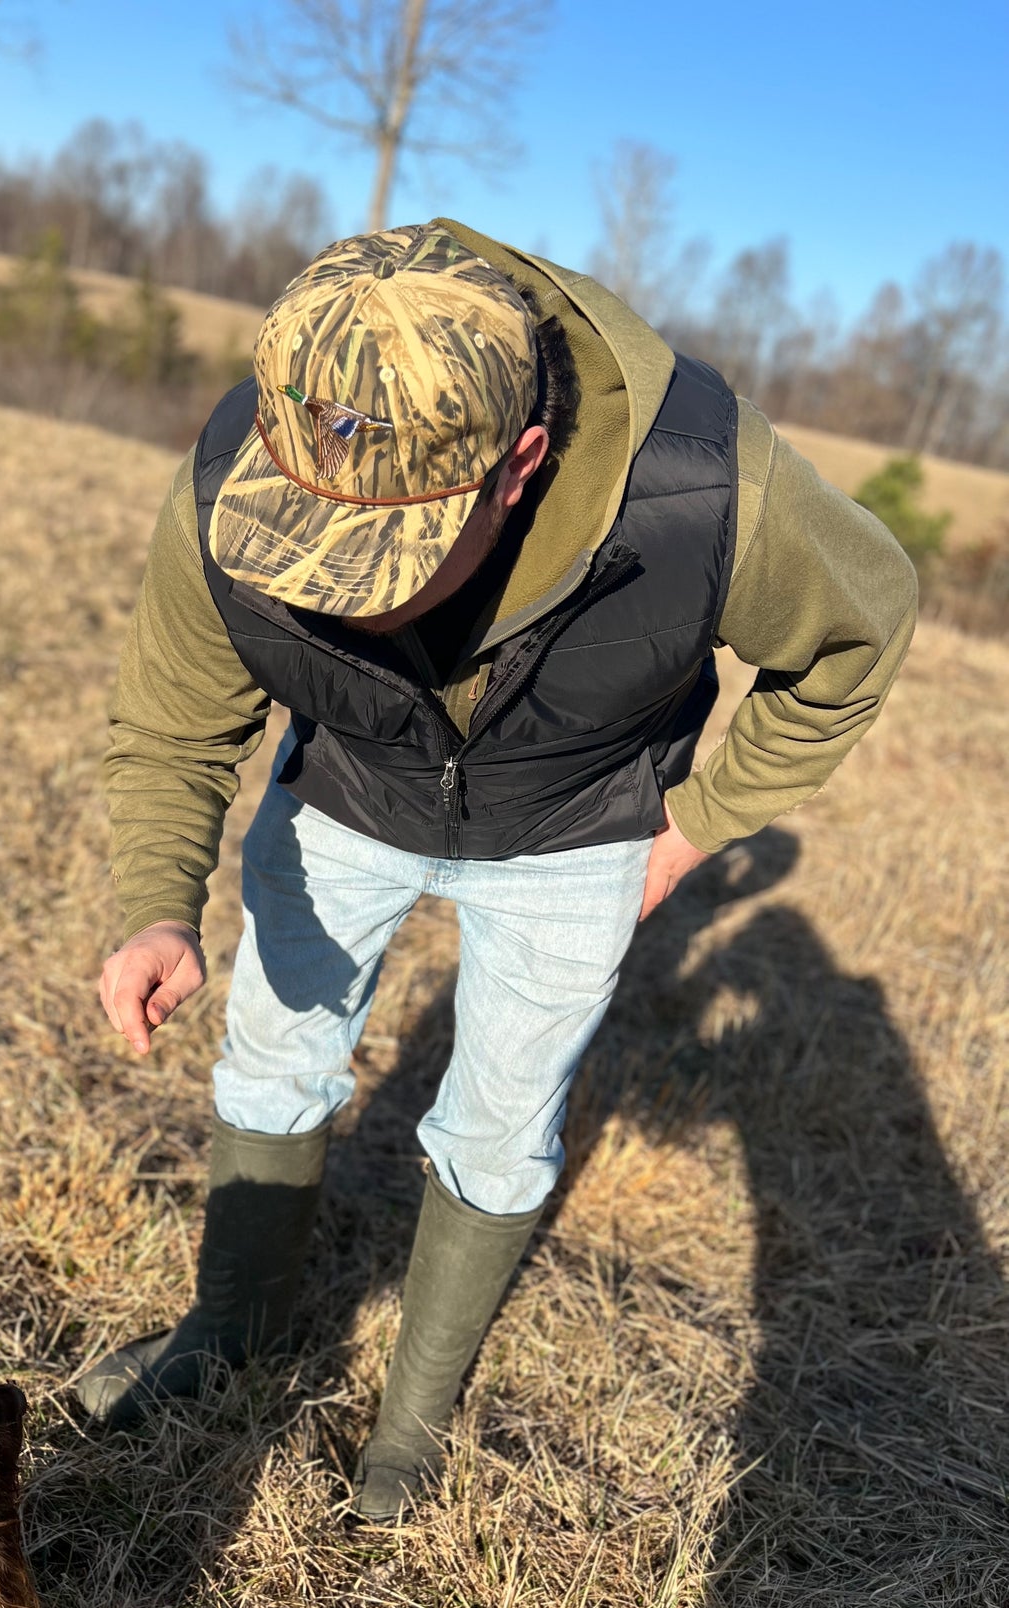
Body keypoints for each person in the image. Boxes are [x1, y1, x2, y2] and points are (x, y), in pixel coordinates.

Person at [75, 222, 917, 1522]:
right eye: (303, 541)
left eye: (380, 557)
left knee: (499, 1121)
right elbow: (177, 712)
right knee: (272, 1047)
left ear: (518, 463)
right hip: (348, 789)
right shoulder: (248, 455)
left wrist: (695, 825)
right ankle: (228, 1328)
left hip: (572, 825)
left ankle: (411, 1423)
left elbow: (859, 630)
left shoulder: (703, 488)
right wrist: (153, 905)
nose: (334, 596)